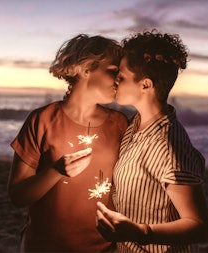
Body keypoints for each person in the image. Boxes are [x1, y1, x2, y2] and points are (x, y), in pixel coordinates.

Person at [8, 34, 128, 252]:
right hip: (44, 246)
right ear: (85, 69)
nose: (119, 79)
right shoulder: (42, 120)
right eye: (112, 71)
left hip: (103, 248)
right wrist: (56, 170)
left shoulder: (119, 124)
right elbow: (18, 196)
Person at [96, 29, 208, 253]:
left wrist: (140, 232)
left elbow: (200, 227)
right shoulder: (135, 123)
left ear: (145, 85)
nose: (115, 81)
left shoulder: (166, 146)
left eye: (122, 77)